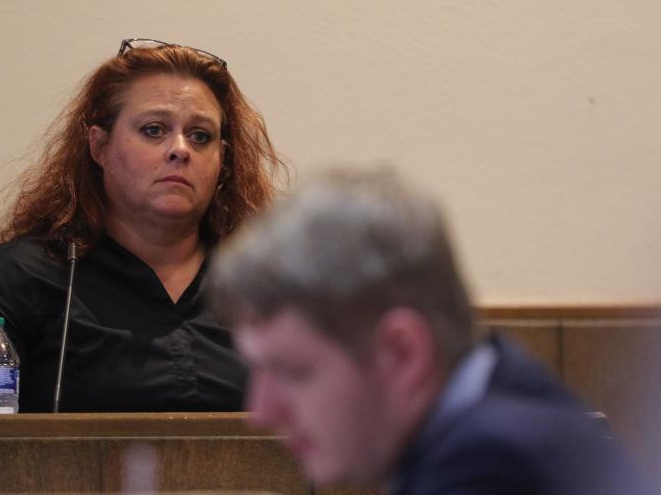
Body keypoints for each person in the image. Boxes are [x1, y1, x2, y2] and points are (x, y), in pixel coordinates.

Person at [208, 167, 652, 494]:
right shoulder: (505, 386)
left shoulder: (486, 470)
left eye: (292, 371)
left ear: (404, 352)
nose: (261, 411)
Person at [0, 38, 285, 413]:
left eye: (201, 136)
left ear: (222, 161)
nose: (181, 149)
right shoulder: (17, 281)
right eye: (154, 130)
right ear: (99, 147)